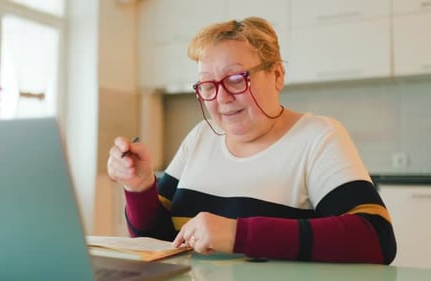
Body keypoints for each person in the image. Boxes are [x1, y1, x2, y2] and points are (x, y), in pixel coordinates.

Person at [107, 16, 396, 264]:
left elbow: (376, 238)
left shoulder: (318, 138)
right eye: (208, 85)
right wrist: (140, 187)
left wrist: (237, 234)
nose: (221, 98)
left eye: (235, 78)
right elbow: (161, 243)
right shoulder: (201, 137)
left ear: (277, 75)